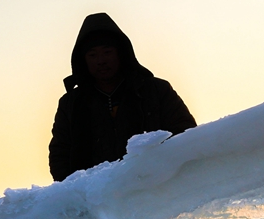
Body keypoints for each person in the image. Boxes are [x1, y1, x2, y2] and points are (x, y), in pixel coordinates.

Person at [49, 13, 197, 181]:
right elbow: (59, 154)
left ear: (121, 54)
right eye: (93, 55)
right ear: (83, 60)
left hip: (155, 192)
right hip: (95, 198)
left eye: (107, 52)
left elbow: (185, 134)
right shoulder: (71, 103)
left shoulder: (155, 90)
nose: (101, 61)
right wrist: (73, 193)